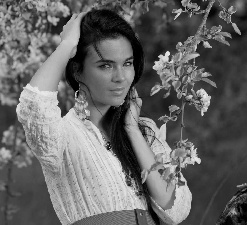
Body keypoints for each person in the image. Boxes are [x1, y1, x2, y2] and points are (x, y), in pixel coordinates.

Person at [16, 9, 192, 225]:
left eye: (127, 63)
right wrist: (66, 46)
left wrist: (132, 130)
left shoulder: (146, 131)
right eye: (105, 66)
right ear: (77, 71)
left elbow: (172, 208)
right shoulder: (62, 137)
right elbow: (34, 105)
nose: (120, 77)